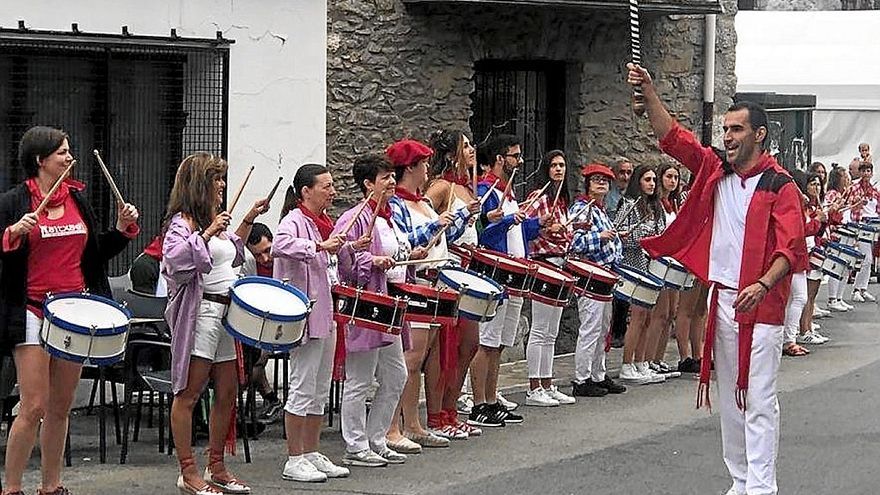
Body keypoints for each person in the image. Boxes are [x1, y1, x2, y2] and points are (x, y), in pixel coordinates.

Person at [629, 63, 806, 495]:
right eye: (725, 129)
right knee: (730, 398)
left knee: (758, 396)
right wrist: (650, 93)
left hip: (761, 305)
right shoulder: (714, 170)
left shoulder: (779, 185)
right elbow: (674, 138)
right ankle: (740, 480)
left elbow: (792, 246)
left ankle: (762, 487)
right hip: (723, 299)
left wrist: (763, 284)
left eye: (736, 130)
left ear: (759, 135)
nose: (727, 137)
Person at [0, 126, 139, 495]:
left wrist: (122, 231)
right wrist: (12, 232)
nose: (68, 157)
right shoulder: (14, 202)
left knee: (61, 408)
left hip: (75, 312)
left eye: (68, 150)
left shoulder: (78, 201)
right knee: (33, 406)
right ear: (39, 160)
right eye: (61, 152)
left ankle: (52, 486)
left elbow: (93, 255)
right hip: (31, 310)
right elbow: (3, 250)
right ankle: (11, 488)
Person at [162, 152, 267, 495]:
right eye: (215, 178)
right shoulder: (183, 223)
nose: (222, 184)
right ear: (199, 184)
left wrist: (247, 220)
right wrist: (207, 232)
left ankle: (216, 465)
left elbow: (233, 255)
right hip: (201, 314)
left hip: (226, 315)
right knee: (189, 393)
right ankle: (188, 471)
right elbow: (176, 262)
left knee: (227, 391)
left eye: (221, 178)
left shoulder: (211, 221)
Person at [272, 164, 360, 482]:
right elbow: (280, 246)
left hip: (327, 313)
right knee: (302, 386)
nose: (332, 191)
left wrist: (350, 247)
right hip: (304, 317)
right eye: (326, 185)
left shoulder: (324, 223)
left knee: (320, 388)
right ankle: (294, 458)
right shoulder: (293, 221)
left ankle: (311, 452)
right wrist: (319, 246)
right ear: (306, 191)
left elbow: (331, 264)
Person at [386, 138, 472, 450]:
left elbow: (439, 240)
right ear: (410, 167)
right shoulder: (397, 204)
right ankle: (398, 425)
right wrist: (436, 223)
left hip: (436, 280)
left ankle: (415, 422)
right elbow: (405, 242)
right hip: (416, 281)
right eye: (422, 164)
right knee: (411, 359)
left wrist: (461, 219)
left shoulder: (422, 202)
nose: (427, 170)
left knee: (426, 356)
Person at [333, 154, 409, 467]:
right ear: (367, 184)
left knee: (396, 375)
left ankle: (377, 438)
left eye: (393, 176)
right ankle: (355, 444)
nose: (392, 182)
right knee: (360, 379)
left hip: (387, 304)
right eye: (385, 178)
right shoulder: (353, 218)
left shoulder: (387, 217)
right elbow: (341, 261)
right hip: (364, 307)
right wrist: (370, 261)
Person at [468, 134, 545, 427]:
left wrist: (538, 225)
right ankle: (479, 404)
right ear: (500, 159)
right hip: (495, 273)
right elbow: (481, 236)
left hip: (514, 274)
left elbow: (518, 233)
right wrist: (495, 220)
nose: (520, 161)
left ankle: (492, 398)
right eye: (515, 156)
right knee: (487, 343)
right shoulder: (485, 191)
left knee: (499, 343)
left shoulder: (508, 193)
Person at [424, 129, 488, 425]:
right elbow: (429, 230)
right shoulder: (440, 188)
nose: (472, 149)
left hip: (469, 268)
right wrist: (462, 217)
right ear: (451, 154)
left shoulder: (466, 188)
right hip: (449, 269)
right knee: (448, 345)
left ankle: (451, 407)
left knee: (469, 343)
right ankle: (438, 414)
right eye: (465, 146)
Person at [568, 163, 627, 398]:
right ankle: (581, 378)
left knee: (603, 328)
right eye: (597, 180)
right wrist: (600, 237)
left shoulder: (600, 211)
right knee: (590, 328)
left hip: (605, 276)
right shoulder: (582, 209)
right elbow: (573, 242)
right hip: (589, 275)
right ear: (588, 184)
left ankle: (598, 374)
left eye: (605, 180)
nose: (601, 183)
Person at [523, 150, 576, 407]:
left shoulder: (562, 201)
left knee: (551, 331)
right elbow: (524, 225)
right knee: (540, 328)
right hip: (543, 262)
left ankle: (547, 382)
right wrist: (545, 227)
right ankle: (534, 387)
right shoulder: (538, 197)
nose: (558, 169)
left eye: (562, 165)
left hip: (560, 263)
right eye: (554, 165)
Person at [614, 164, 668, 385]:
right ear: (638, 181)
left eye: (654, 180)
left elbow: (663, 233)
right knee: (636, 317)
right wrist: (643, 240)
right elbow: (619, 234)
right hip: (633, 264)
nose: (652, 184)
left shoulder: (656, 207)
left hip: (651, 265)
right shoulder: (627, 204)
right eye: (647, 180)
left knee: (647, 317)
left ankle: (641, 361)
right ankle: (627, 364)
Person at [608, 157, 635, 348]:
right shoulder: (609, 196)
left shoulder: (632, 196)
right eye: (622, 172)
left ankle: (620, 332)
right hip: (612, 250)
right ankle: (614, 333)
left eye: (628, 173)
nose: (625, 177)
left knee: (625, 296)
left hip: (628, 252)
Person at [846, 159, 880, 303]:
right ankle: (856, 289)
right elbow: (849, 207)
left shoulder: (874, 191)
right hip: (861, 225)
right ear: (859, 172)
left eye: (869, 171)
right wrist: (858, 203)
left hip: (873, 226)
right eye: (864, 170)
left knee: (869, 258)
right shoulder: (854, 188)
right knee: (866, 259)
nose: (866, 173)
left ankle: (863, 288)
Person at [823, 167, 854, 312]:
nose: (847, 180)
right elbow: (829, 211)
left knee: (847, 266)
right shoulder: (832, 194)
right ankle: (832, 298)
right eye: (844, 177)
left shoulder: (843, 194)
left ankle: (839, 297)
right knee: (837, 266)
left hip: (846, 230)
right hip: (837, 232)